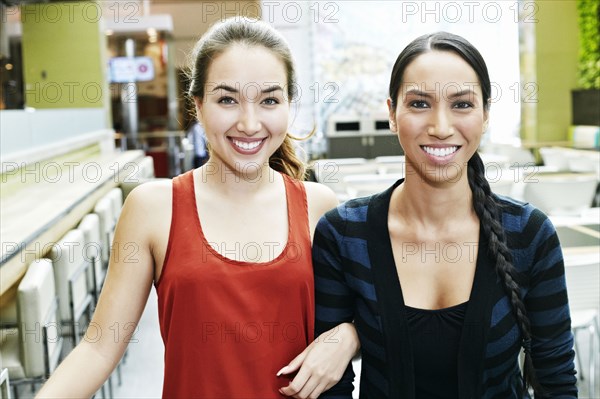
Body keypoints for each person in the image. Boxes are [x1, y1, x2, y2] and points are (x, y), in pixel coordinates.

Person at [37, 17, 358, 399]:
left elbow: (373, 316)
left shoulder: (318, 206)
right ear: (199, 106)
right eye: (227, 99)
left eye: (269, 100)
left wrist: (350, 336)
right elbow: (99, 347)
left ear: (289, 104)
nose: (250, 122)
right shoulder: (154, 208)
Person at [314, 32, 577, 398]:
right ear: (392, 114)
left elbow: (556, 380)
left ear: (486, 115)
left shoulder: (529, 234)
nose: (440, 127)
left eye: (462, 105)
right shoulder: (343, 234)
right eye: (419, 104)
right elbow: (332, 385)